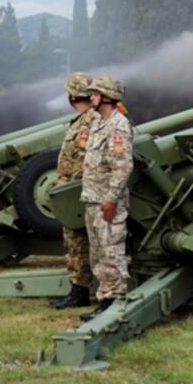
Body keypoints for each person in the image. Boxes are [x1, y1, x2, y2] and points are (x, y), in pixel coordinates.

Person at [79, 76, 134, 322]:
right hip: (93, 199)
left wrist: (111, 198)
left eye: (95, 93)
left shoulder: (118, 125)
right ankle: (105, 298)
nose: (91, 97)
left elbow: (122, 166)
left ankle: (114, 302)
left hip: (107, 202)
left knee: (111, 251)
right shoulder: (99, 123)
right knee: (99, 253)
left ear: (106, 97)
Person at [50, 72, 100, 310]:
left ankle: (81, 292)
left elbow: (89, 158)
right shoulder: (82, 120)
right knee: (74, 243)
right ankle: (78, 290)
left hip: (80, 191)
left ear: (73, 96)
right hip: (72, 192)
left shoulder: (91, 120)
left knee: (80, 244)